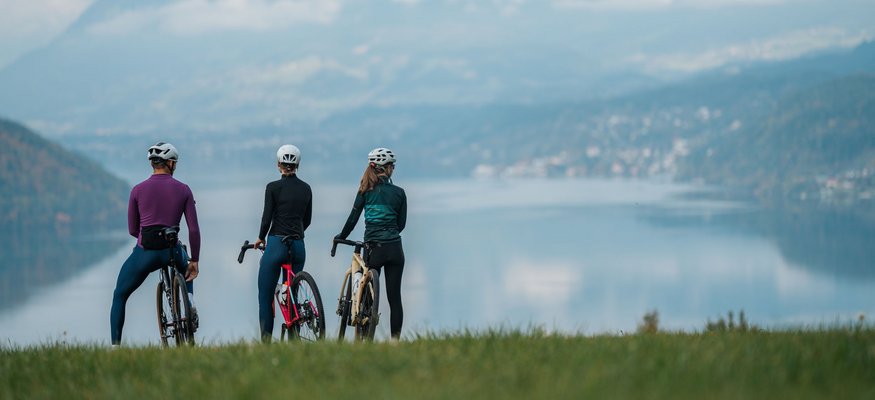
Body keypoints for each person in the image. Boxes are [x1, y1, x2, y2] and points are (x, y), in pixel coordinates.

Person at [110, 142, 200, 346]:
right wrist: (195, 259)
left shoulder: (137, 190)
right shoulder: (184, 190)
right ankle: (191, 303)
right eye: (174, 162)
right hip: (172, 250)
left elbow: (133, 229)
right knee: (187, 266)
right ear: (170, 163)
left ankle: (115, 347)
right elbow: (193, 230)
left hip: (145, 253)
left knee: (120, 294)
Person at [335, 147, 407, 339]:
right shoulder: (400, 193)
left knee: (367, 294)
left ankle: (366, 336)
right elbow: (401, 224)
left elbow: (352, 219)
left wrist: (340, 236)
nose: (393, 169)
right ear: (387, 168)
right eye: (392, 166)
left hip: (374, 248)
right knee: (395, 298)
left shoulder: (365, 191)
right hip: (395, 249)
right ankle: (395, 341)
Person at [254, 144, 312, 342]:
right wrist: (297, 233)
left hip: (277, 243)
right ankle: (295, 337)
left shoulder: (273, 187)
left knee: (265, 294)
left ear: (279, 164)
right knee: (292, 292)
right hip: (298, 246)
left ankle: (266, 343)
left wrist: (260, 238)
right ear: (298, 165)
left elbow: (266, 218)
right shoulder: (306, 188)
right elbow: (308, 220)